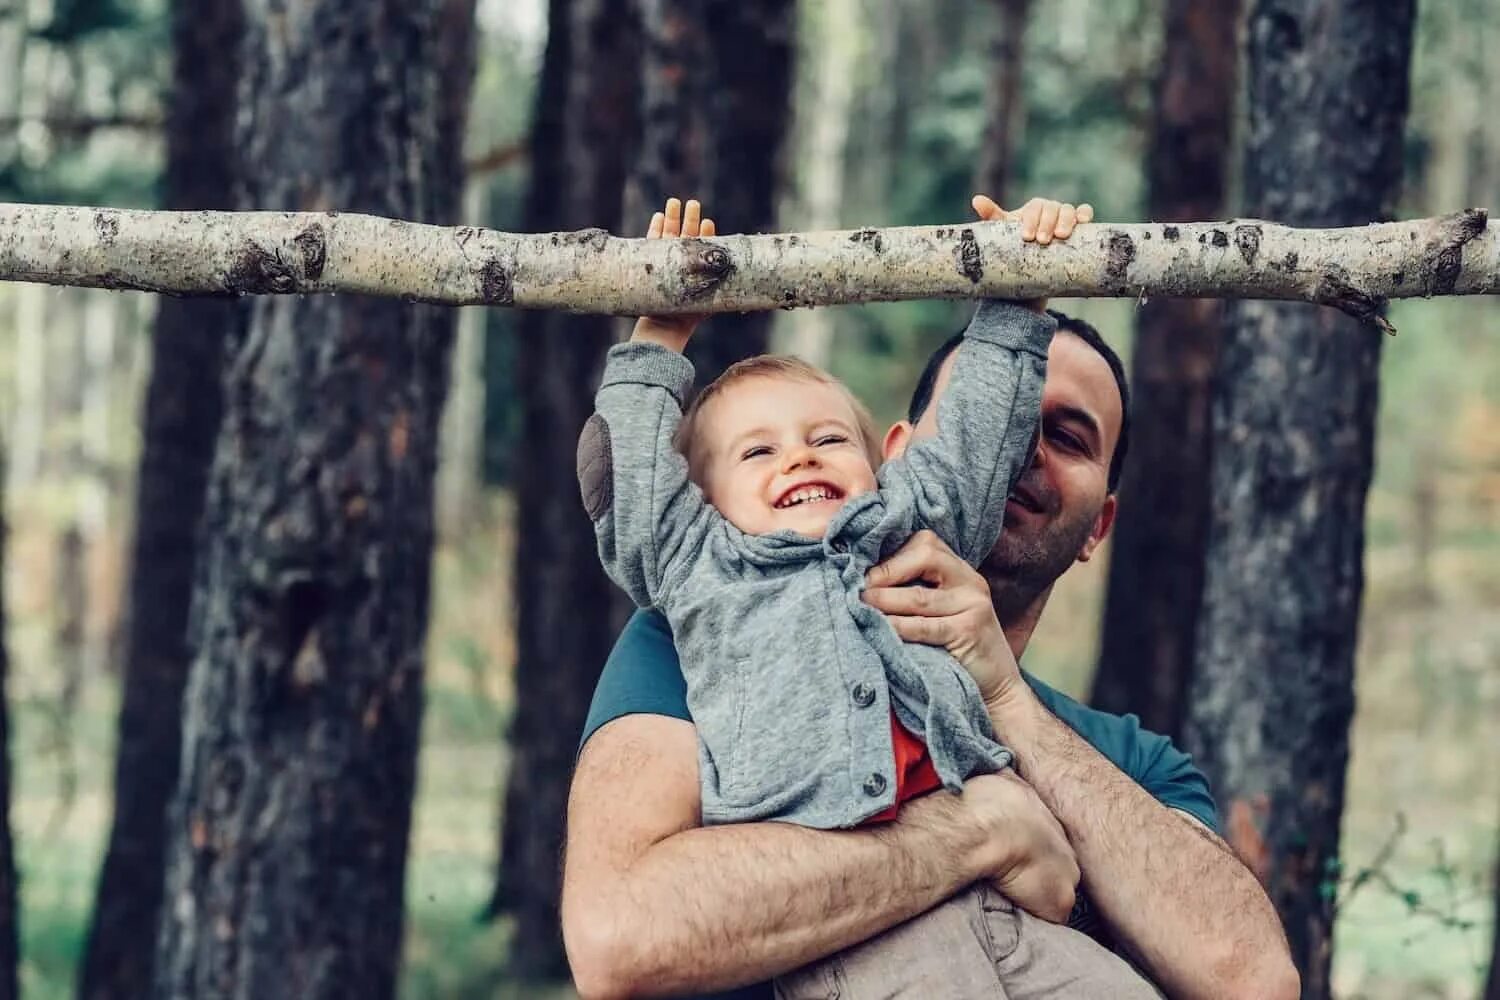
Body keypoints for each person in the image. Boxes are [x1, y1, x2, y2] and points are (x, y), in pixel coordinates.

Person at [562, 196, 1300, 1000]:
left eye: (1070, 437)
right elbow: (617, 943)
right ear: (904, 456)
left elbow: (1253, 982)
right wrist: (981, 833)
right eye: (760, 452)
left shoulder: (1130, 762)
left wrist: (1005, 699)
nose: (1023, 447)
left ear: (1101, 528)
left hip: (1026, 945)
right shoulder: (695, 629)